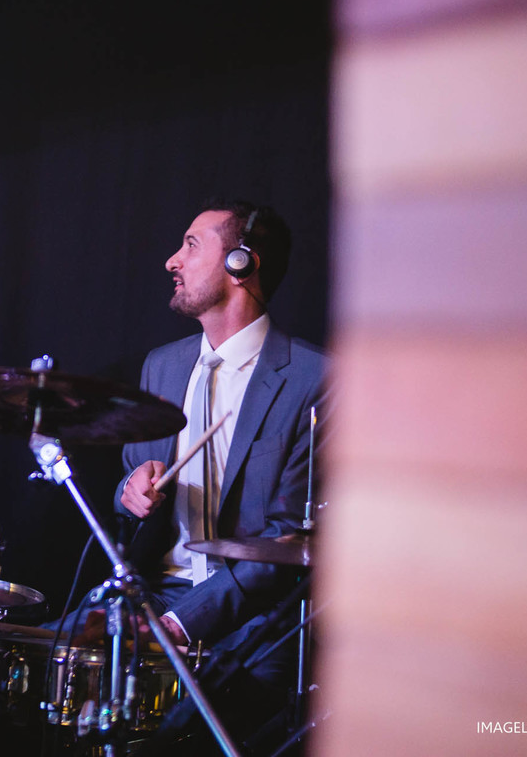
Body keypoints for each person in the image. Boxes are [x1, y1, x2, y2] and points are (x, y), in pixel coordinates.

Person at [52, 198, 327, 753]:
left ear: (241, 263)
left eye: (191, 245)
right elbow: (129, 487)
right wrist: (131, 492)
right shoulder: (163, 365)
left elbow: (289, 543)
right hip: (154, 589)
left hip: (254, 616)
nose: (171, 260)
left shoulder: (315, 378)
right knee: (57, 664)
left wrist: (180, 625)